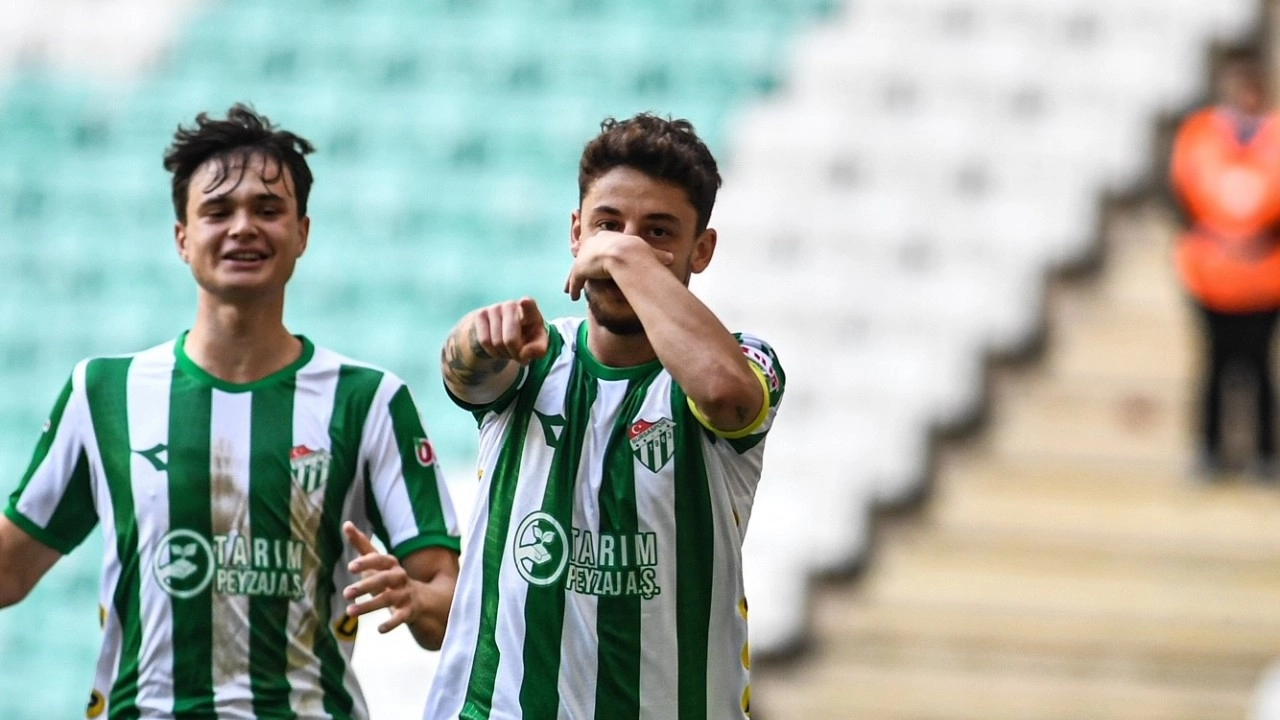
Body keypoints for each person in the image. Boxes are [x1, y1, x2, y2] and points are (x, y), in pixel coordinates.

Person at [0, 104, 461, 718]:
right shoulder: (104, 393)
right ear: (182, 238)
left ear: (302, 232)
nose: (243, 227)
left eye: (267, 210)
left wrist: (416, 599)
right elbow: (9, 571)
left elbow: (446, 604)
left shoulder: (368, 400)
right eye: (218, 211)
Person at [423, 114, 786, 719]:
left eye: (657, 232)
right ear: (576, 232)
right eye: (607, 224)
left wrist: (620, 251)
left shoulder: (745, 361)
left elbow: (726, 393)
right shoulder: (533, 358)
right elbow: (463, 371)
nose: (625, 250)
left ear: (702, 250)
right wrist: (477, 337)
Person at [1170, 47, 1280, 479]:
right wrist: (1217, 237)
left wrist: (1260, 236)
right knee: (1215, 365)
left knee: (1259, 367)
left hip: (1266, 276)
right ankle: (1210, 450)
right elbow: (1179, 195)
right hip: (1210, 275)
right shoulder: (1199, 133)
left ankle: (1265, 453)